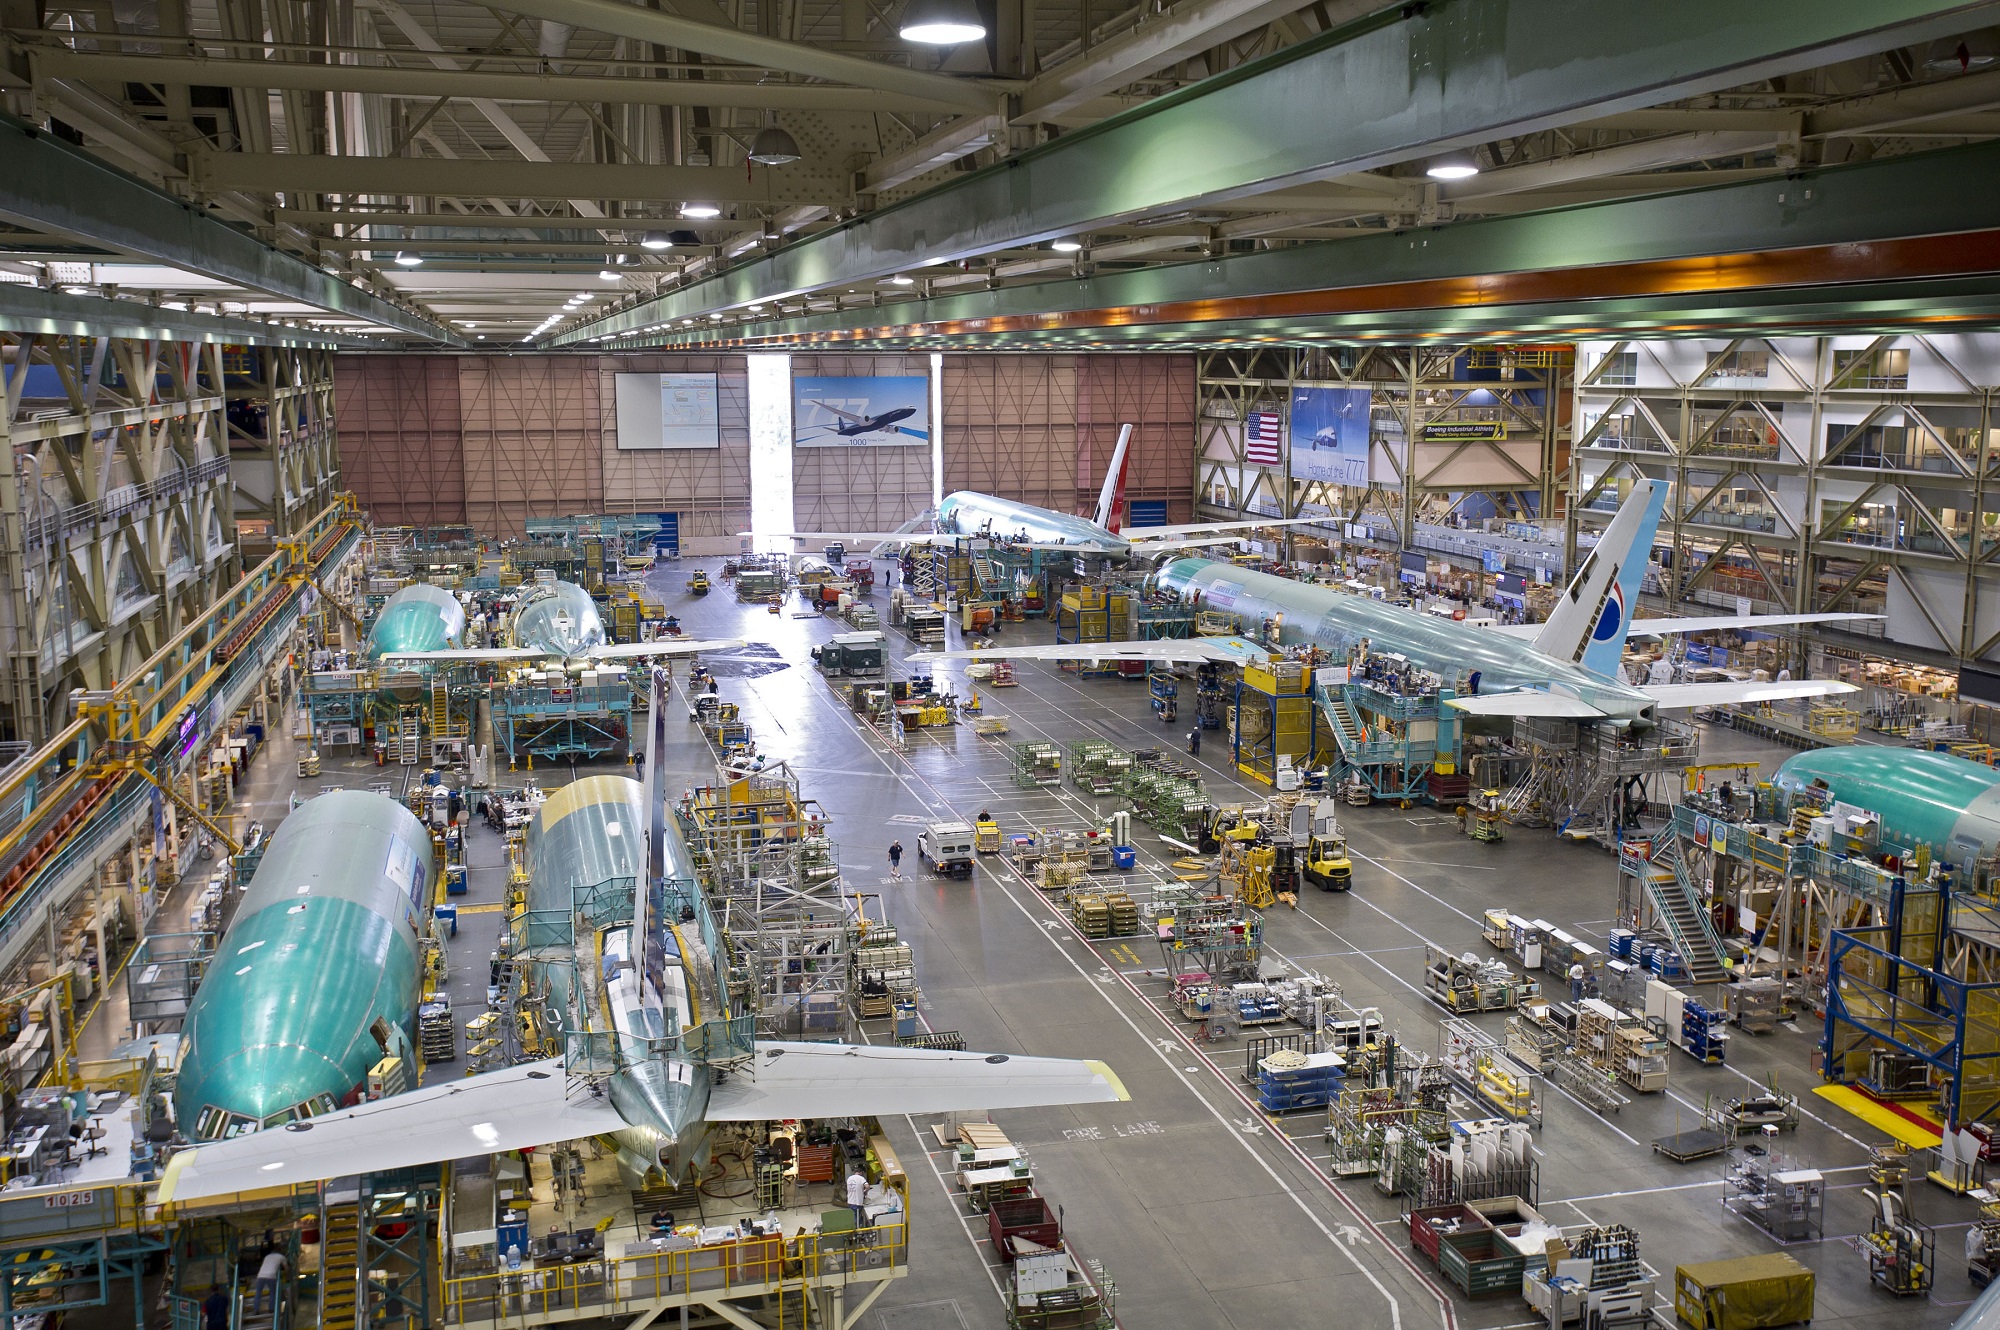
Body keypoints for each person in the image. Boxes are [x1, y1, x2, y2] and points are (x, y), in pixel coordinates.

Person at [253, 1247, 285, 1315]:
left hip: (260, 1275)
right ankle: (271, 1309)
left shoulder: (267, 1256)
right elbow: (286, 1267)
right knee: (272, 1293)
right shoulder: (281, 1256)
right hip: (271, 1275)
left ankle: (256, 1309)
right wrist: (287, 1276)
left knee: (258, 1293)